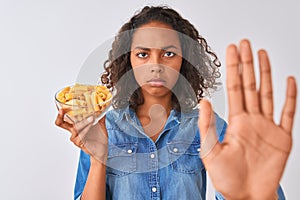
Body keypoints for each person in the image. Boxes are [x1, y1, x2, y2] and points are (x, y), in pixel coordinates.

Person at [55, 6, 297, 200]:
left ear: (185, 61)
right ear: (128, 60)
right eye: (143, 54)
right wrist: (98, 158)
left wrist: (252, 192)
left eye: (169, 53)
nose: (156, 65)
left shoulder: (207, 126)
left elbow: (247, 191)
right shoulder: (104, 128)